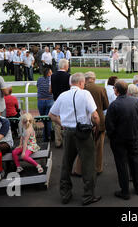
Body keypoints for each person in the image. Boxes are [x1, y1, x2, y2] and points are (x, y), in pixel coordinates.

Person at [48, 73, 101, 206]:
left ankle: (65, 194)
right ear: (82, 83)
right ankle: (88, 195)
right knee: (88, 164)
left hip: (69, 132)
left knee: (67, 163)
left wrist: (63, 124)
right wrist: (97, 126)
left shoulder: (62, 95)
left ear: (71, 83)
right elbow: (95, 116)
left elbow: (52, 115)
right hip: (84, 132)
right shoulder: (85, 94)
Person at [105, 81, 138, 200]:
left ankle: (125, 191)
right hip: (133, 136)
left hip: (119, 140)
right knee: (135, 161)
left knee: (122, 164)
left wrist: (112, 137)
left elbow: (109, 126)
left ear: (116, 91)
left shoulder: (113, 105)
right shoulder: (135, 101)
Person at [72, 72, 109, 177]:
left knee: (82, 147)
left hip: (84, 122)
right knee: (99, 147)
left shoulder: (81, 90)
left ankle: (79, 170)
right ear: (94, 79)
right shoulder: (101, 89)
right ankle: (98, 168)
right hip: (99, 122)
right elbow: (106, 106)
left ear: (86, 79)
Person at [51, 59, 71, 148]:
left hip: (56, 101)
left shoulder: (52, 76)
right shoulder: (69, 76)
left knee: (57, 122)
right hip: (67, 102)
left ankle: (58, 142)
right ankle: (68, 141)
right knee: (68, 121)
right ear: (65, 66)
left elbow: (50, 90)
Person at [36, 68, 54, 142]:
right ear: (49, 73)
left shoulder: (39, 79)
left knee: (44, 120)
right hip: (49, 100)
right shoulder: (52, 79)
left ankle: (45, 137)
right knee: (48, 120)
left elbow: (37, 87)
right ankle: (49, 136)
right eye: (51, 72)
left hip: (40, 101)